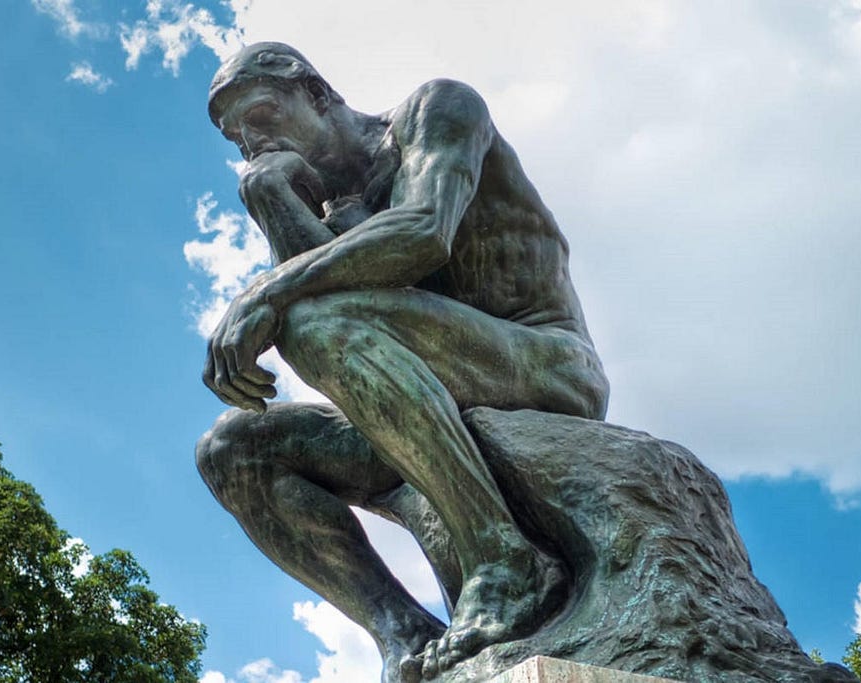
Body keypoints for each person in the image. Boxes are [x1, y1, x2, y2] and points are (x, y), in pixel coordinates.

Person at [196, 42, 609, 682]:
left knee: (313, 322)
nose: (251, 141)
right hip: (420, 388)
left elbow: (422, 233)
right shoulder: (328, 207)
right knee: (232, 449)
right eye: (237, 137)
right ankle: (404, 635)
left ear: (317, 92)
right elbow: (327, 291)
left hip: (539, 361)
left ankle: (505, 561)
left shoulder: (435, 111)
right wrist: (271, 197)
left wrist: (266, 290)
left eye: (263, 114)